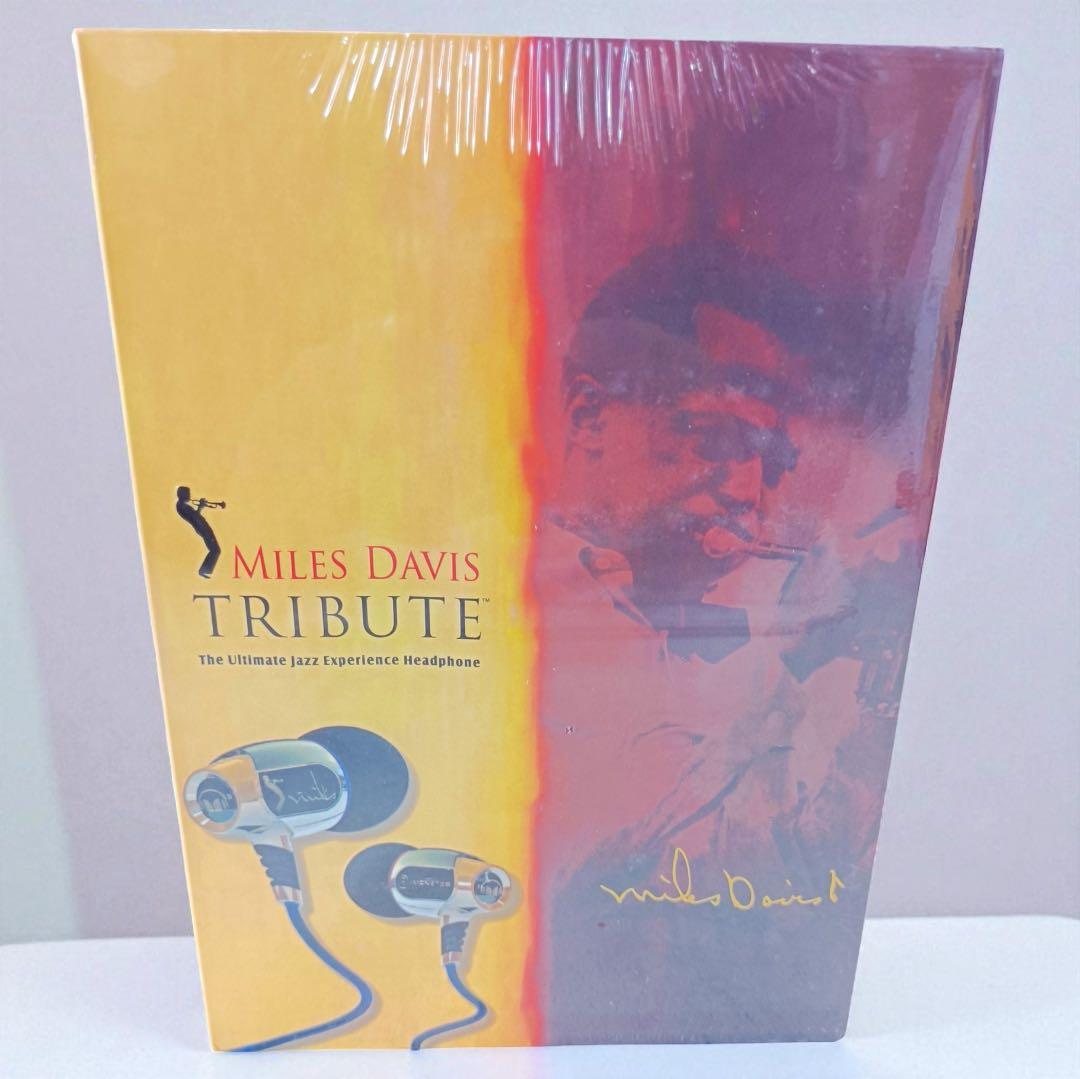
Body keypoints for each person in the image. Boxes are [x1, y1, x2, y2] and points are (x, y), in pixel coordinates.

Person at [532, 241, 919, 1042]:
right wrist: (812, 661)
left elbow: (779, 877)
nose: (749, 489)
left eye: (771, 457)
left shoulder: (735, 629)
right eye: (712, 437)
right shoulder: (515, 616)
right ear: (590, 418)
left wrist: (864, 659)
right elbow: (596, 847)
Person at [175, 485, 222, 579]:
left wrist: (200, 507)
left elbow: (195, 516)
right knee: (215, 550)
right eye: (187, 494)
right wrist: (200, 506)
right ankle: (203, 570)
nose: (189, 496)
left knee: (215, 550)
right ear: (182, 494)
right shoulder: (181, 506)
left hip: (202, 527)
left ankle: (205, 570)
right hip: (202, 528)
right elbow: (194, 517)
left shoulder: (182, 505)